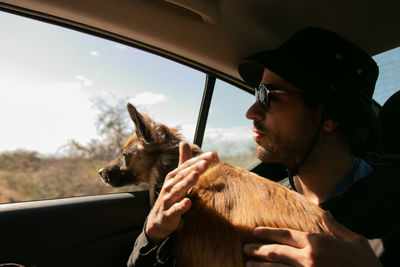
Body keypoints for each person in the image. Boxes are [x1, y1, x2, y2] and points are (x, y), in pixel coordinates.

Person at [127, 27, 400, 266]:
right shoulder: (257, 197)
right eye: (257, 92)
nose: (251, 111)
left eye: (268, 96)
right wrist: (154, 236)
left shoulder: (391, 210)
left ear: (329, 116)